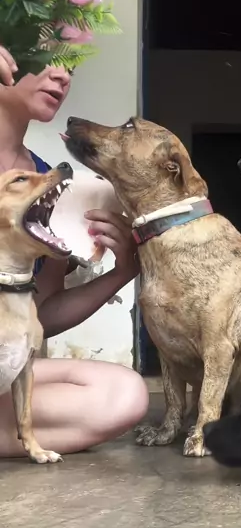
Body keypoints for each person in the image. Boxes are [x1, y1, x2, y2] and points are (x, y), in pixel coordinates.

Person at [0, 45, 149, 457]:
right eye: (44, 58)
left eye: (69, 69)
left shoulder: (49, 187)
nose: (62, 76)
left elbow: (41, 314)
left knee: (124, 393)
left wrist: (123, 272)